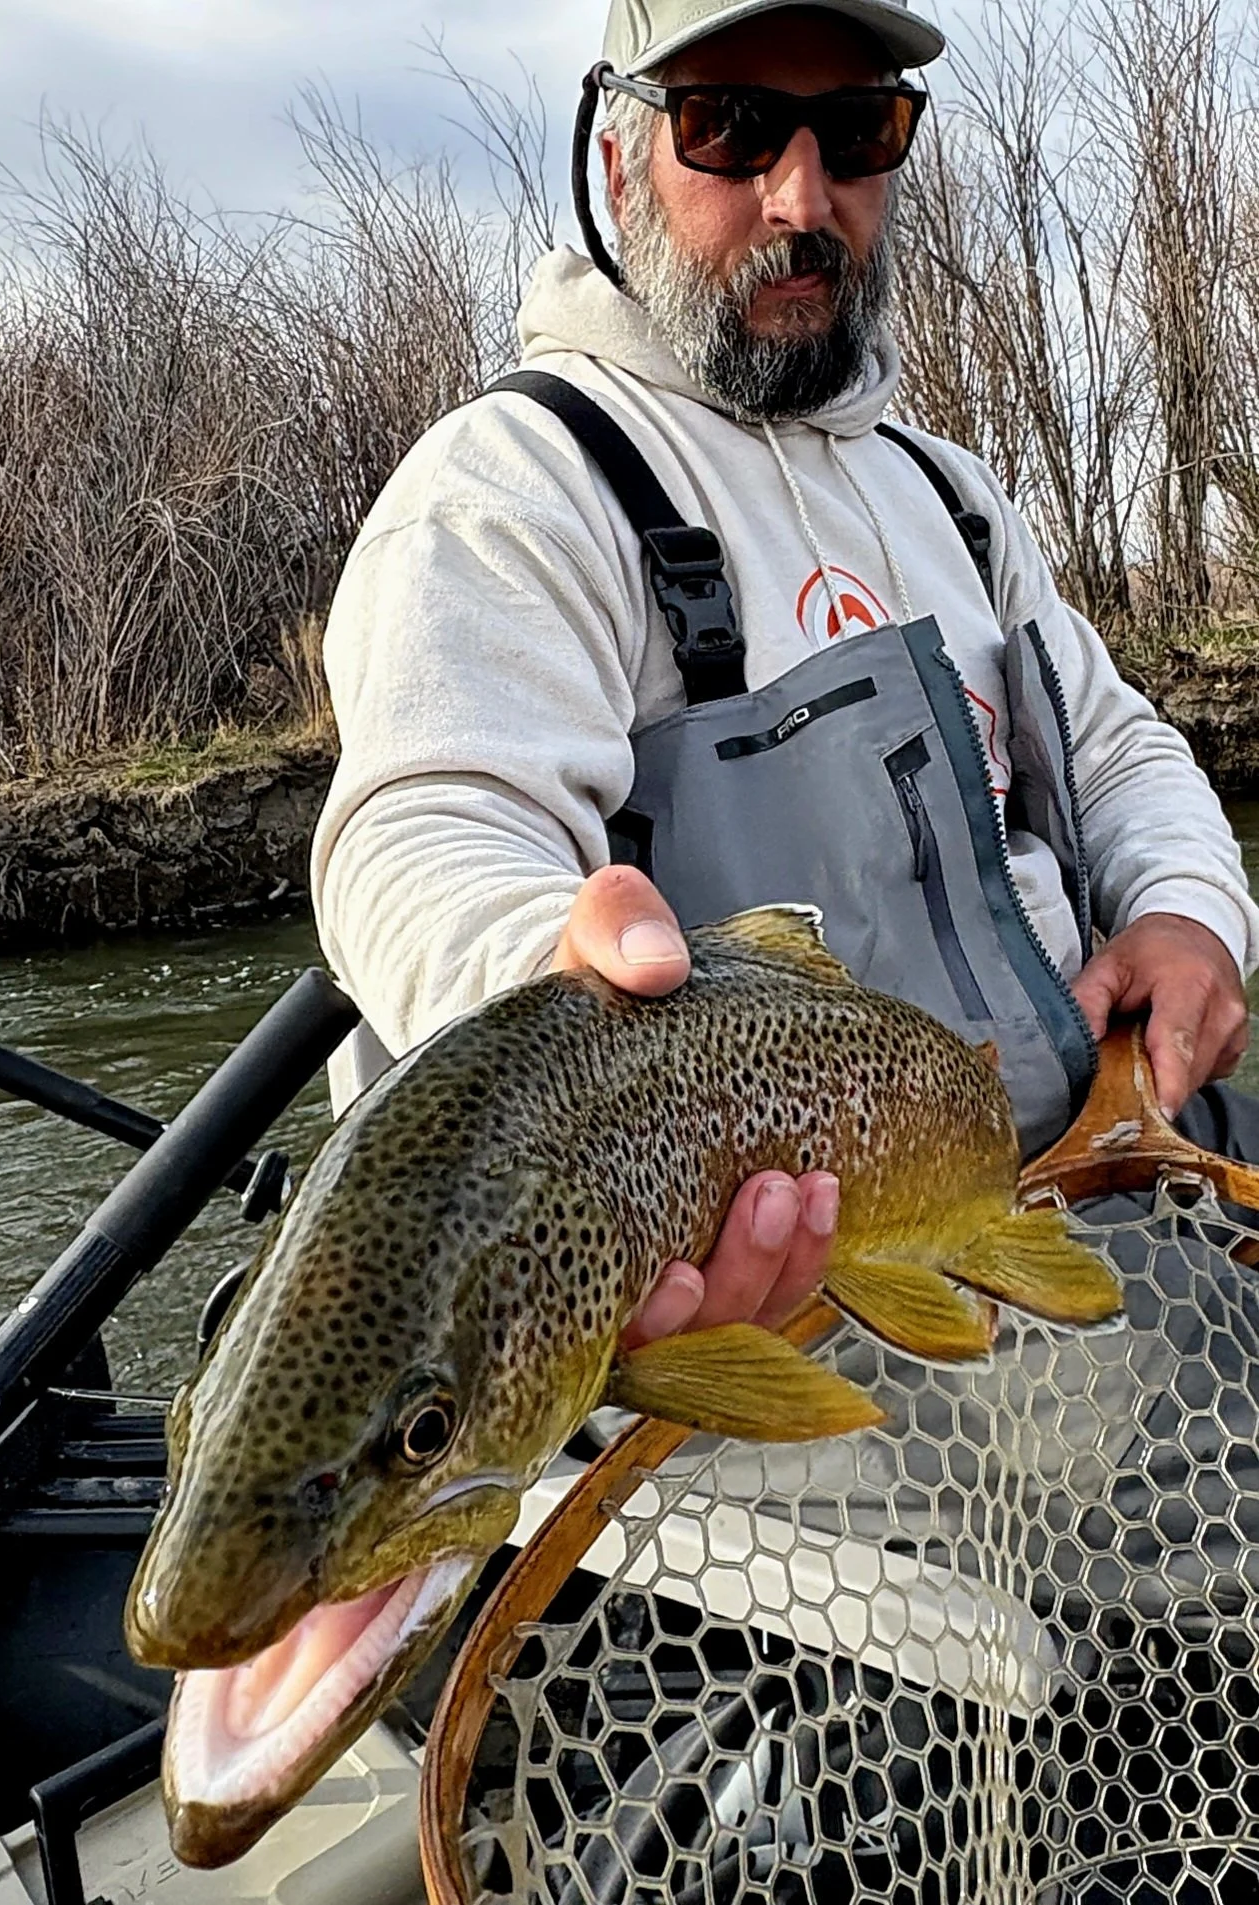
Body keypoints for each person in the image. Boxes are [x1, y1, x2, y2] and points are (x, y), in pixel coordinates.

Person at [311, 0, 1258, 1349]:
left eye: (858, 131)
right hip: (796, 1316)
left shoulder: (953, 492)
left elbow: (1118, 753)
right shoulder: (509, 491)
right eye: (734, 128)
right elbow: (425, 829)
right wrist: (548, 978)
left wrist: (1190, 915)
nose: (803, 198)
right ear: (622, 160)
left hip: (1101, 1171)